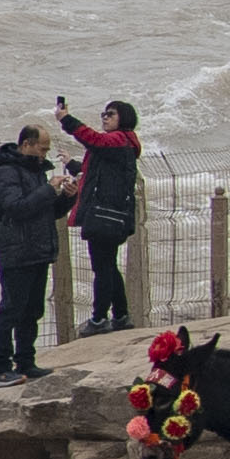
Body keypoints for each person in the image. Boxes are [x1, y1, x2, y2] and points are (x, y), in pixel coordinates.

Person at [0, 125, 65, 383]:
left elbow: (47, 211)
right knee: (11, 311)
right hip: (16, 251)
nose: (44, 154)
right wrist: (48, 190)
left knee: (32, 311)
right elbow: (16, 207)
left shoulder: (36, 171)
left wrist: (67, 198)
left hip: (38, 250)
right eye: (42, 148)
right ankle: (1, 368)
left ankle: (26, 361)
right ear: (26, 144)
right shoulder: (6, 172)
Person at [63, 97, 143, 335]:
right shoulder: (122, 144)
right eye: (104, 114)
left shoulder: (118, 139)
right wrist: (71, 164)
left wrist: (66, 120)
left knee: (102, 267)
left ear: (124, 118)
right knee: (108, 265)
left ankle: (99, 319)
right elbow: (96, 172)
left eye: (111, 114)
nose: (105, 118)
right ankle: (120, 315)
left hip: (105, 215)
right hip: (111, 215)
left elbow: (94, 140)